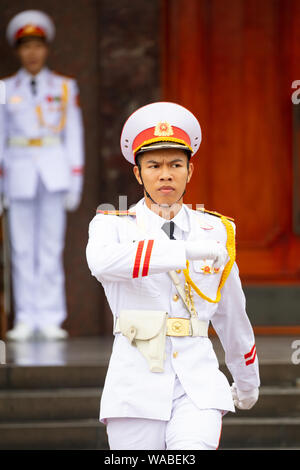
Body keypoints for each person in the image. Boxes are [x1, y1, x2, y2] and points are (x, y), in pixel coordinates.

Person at [86, 102, 260, 450]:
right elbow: (102, 263)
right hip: (135, 386)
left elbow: (232, 315)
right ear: (138, 174)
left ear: (190, 171)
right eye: (154, 165)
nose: (165, 174)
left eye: (175, 165)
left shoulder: (215, 230)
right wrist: (183, 252)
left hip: (198, 385)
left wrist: (247, 381)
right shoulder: (112, 225)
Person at [0, 10, 85, 341]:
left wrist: (75, 179)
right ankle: (25, 316)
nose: (32, 53)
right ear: (18, 51)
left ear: (46, 49)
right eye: (26, 47)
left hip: (54, 171)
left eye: (37, 46)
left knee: (50, 247)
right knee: (21, 249)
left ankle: (51, 316)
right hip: (18, 174)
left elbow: (73, 135)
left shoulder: (64, 87)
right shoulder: (6, 89)